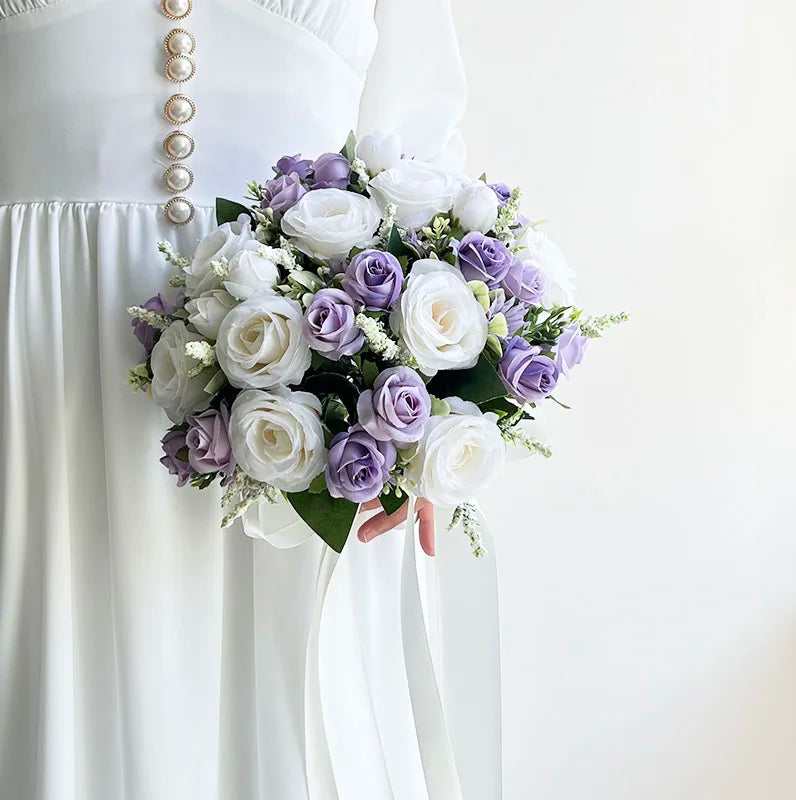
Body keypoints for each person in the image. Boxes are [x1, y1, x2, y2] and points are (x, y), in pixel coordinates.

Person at [0, 1, 498, 798]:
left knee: (285, 728)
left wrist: (430, 414)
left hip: (305, 407)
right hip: (34, 385)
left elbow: (420, 152)